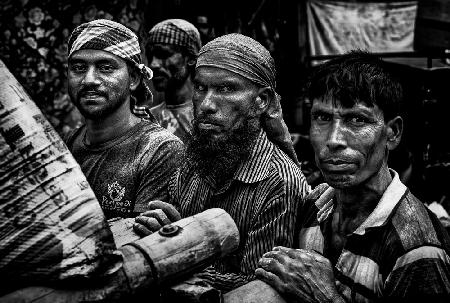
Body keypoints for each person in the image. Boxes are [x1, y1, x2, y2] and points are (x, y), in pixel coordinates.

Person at [256, 51, 450, 302]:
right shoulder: (313, 206)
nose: (334, 139)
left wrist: (326, 297)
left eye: (357, 119)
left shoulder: (418, 250)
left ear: (392, 133)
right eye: (323, 118)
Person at [133, 33, 310, 292]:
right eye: (201, 88)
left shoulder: (280, 185)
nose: (206, 104)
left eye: (226, 89)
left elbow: (259, 291)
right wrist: (168, 234)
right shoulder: (193, 163)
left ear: (261, 101)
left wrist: (178, 254)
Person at [64, 19, 183, 219]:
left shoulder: (158, 150)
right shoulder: (64, 146)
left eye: (106, 67)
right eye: (78, 67)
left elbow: (137, 241)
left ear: (134, 78)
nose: (89, 79)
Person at [145, 19, 202, 142]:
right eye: (150, 57)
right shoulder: (147, 120)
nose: (153, 64)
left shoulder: (207, 117)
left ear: (191, 58)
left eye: (164, 54)